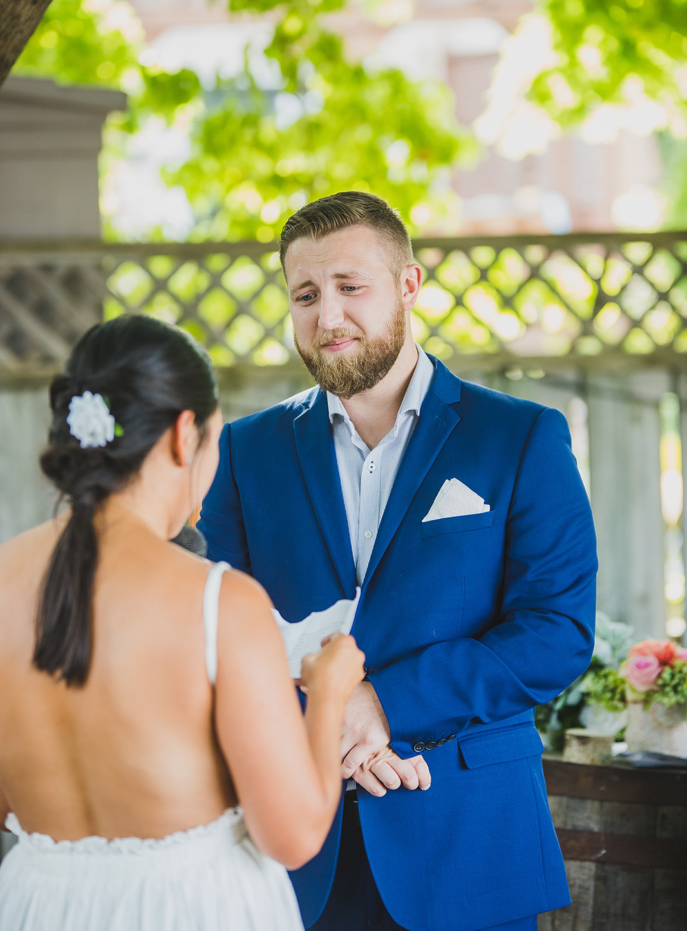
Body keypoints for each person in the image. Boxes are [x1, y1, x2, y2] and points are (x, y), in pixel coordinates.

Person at [198, 191, 598, 931]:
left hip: (467, 840)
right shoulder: (244, 452)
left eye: (351, 287)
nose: (327, 317)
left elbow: (554, 630)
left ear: (408, 286)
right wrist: (329, 729)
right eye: (306, 294)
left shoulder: (519, 436)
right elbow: (214, 629)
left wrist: (379, 704)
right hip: (292, 850)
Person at [0, 313, 365, 931]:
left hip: (41, 906)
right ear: (184, 434)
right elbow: (294, 835)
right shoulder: (218, 600)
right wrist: (329, 692)